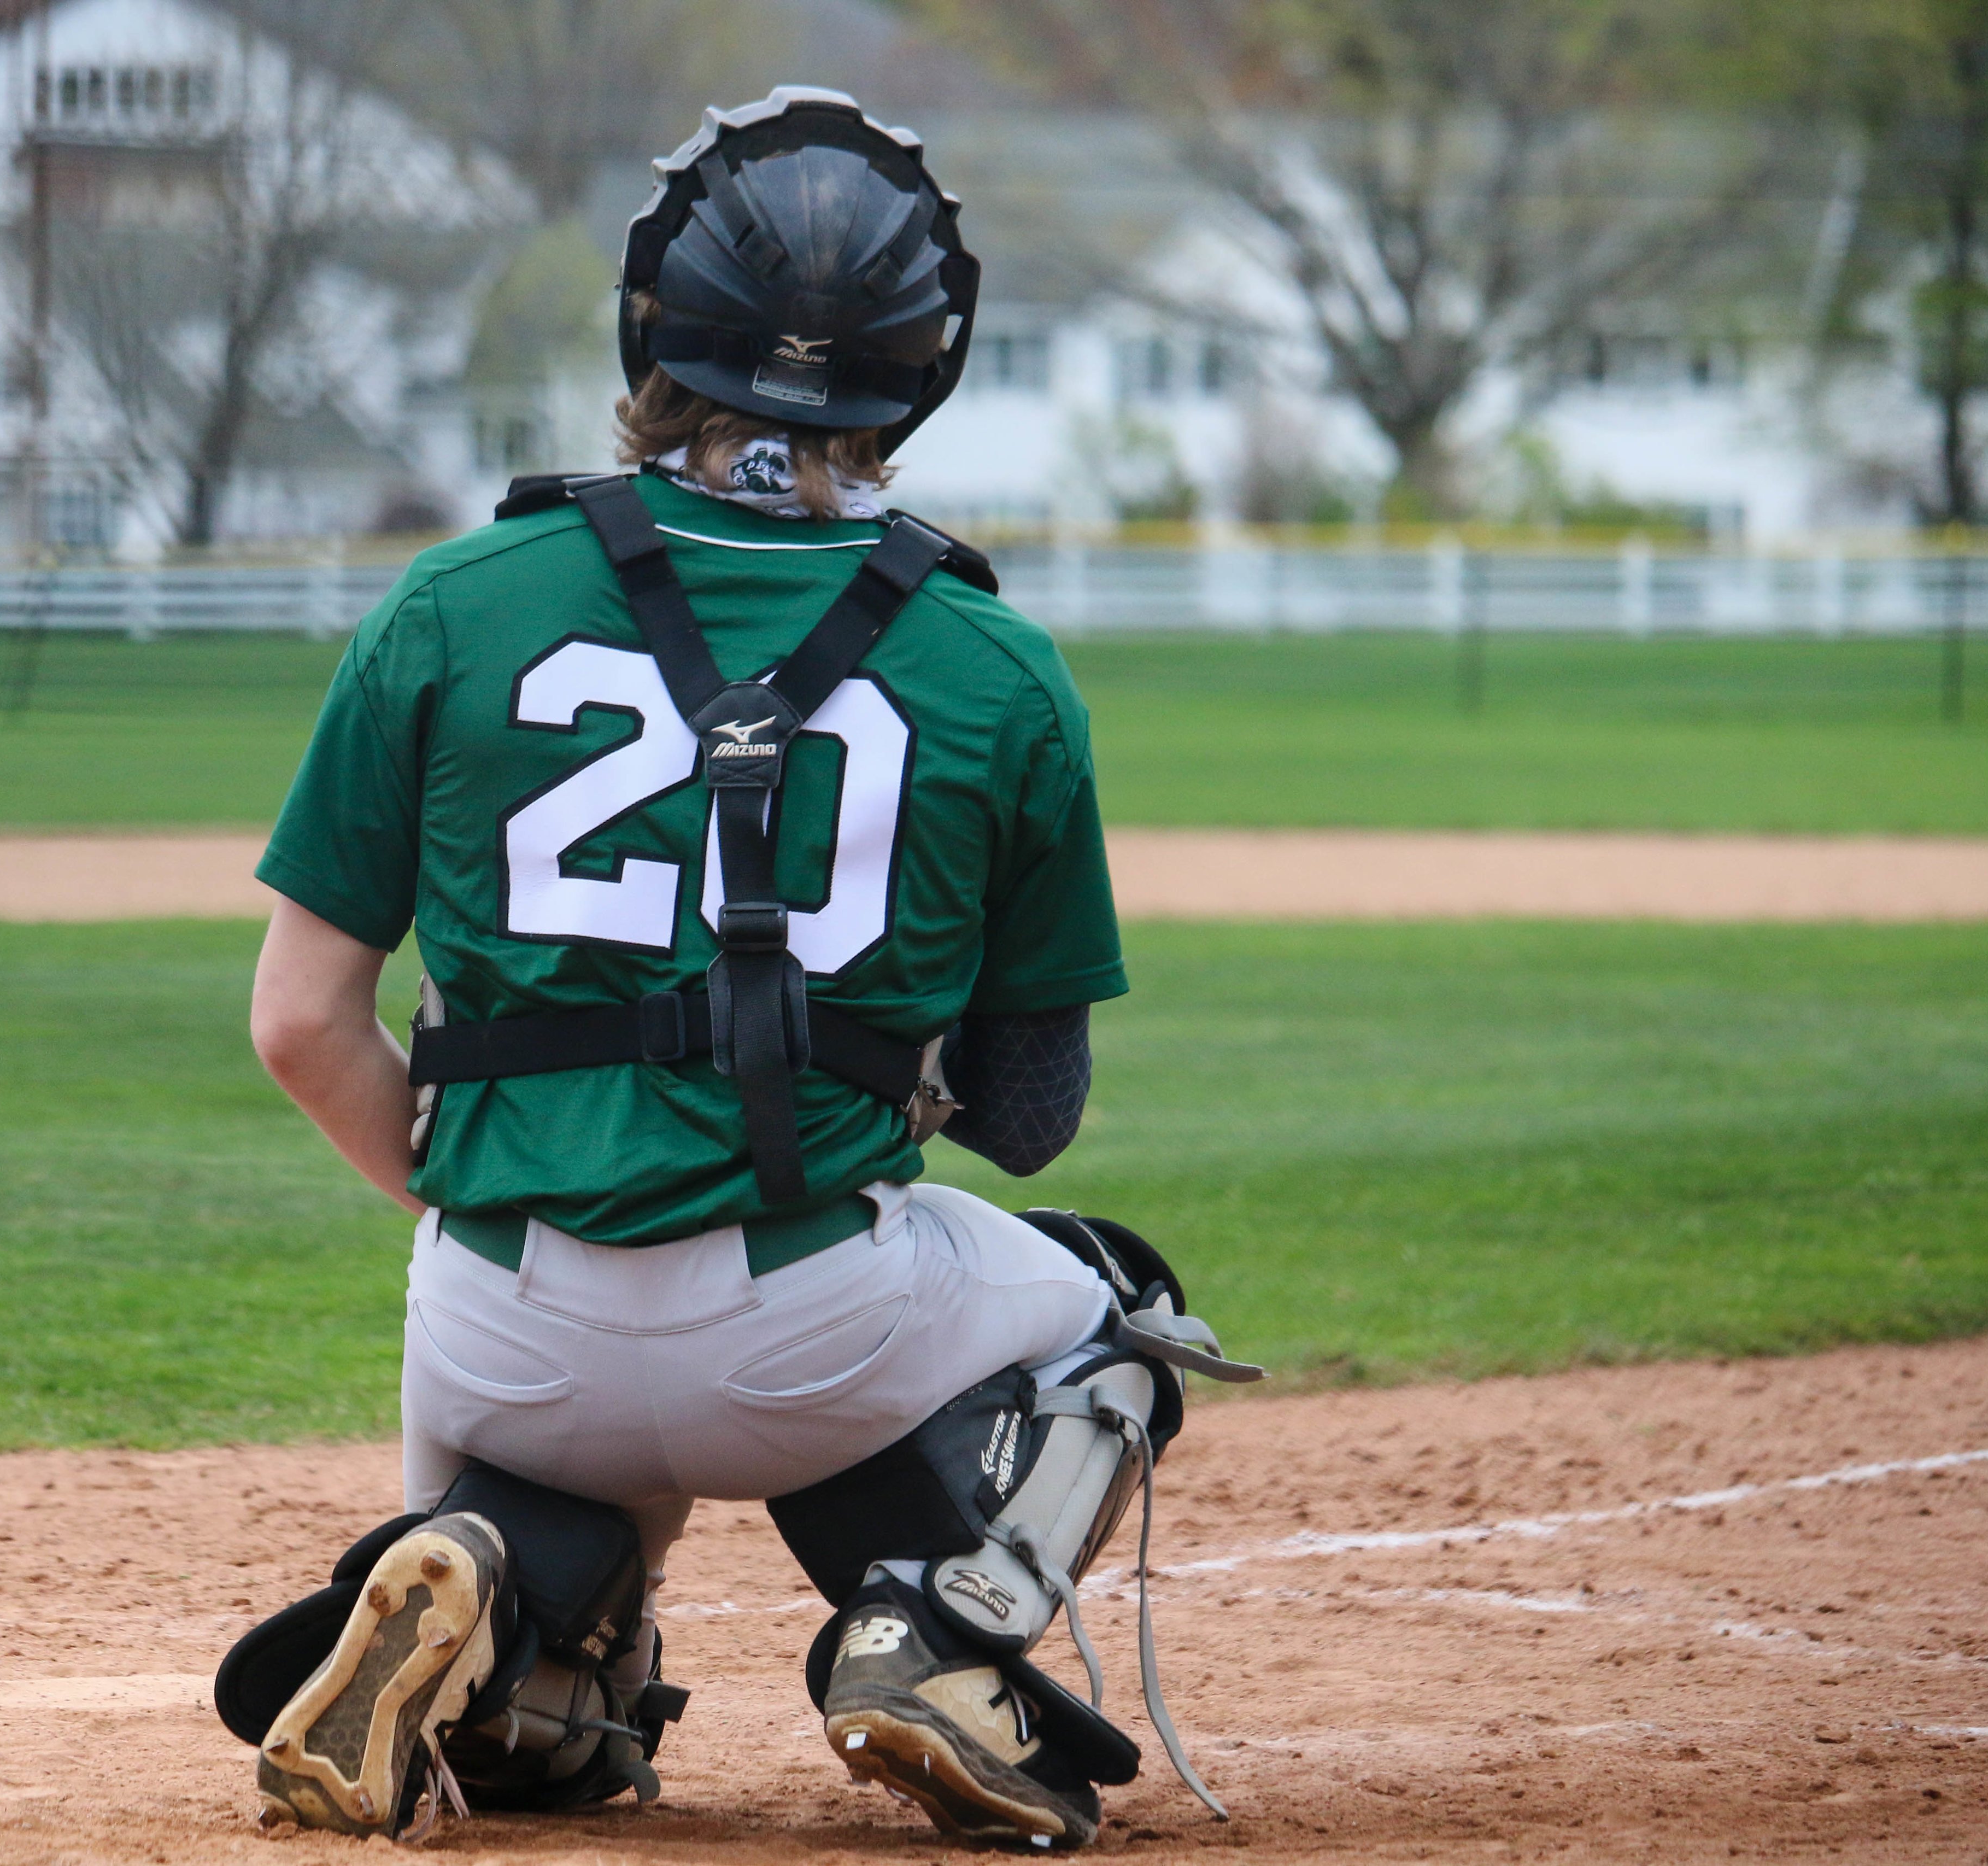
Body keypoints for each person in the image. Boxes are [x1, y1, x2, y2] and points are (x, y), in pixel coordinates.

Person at [217, 89, 1260, 1853]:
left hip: (493, 1313)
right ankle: (934, 1632)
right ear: (919, 366)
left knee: (570, 1539)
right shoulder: (996, 666)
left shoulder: (454, 600)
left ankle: (490, 1606)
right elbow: (1030, 1120)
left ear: (651, 323)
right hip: (812, 1320)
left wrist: (497, 1186)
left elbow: (296, 1024)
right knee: (1119, 1311)